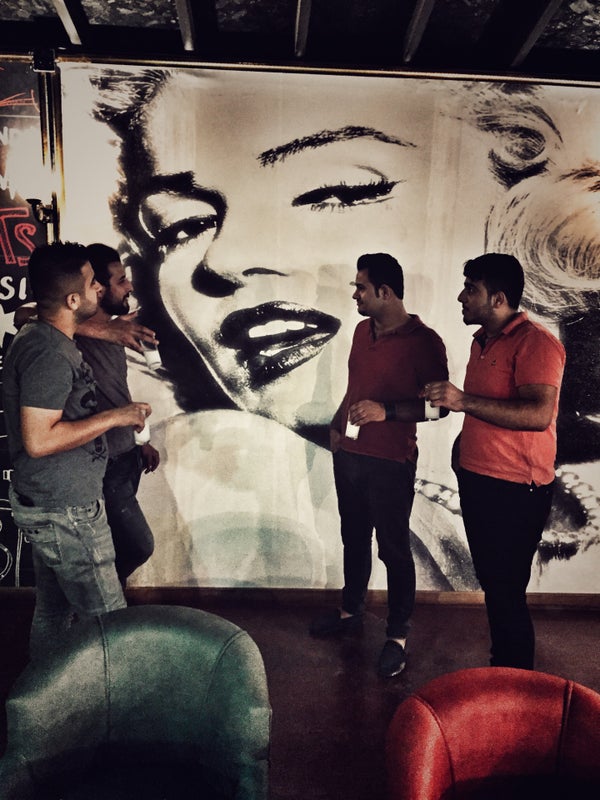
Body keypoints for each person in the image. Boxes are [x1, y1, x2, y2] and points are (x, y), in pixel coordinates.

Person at [2, 241, 151, 659]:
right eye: (91, 284)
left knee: (53, 610)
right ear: (72, 300)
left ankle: (46, 691)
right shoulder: (48, 352)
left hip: (57, 502)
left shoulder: (51, 339)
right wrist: (116, 416)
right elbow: (39, 440)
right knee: (108, 624)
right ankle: (116, 698)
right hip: (65, 510)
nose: (98, 289)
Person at [423, 253, 566, 669]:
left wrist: (462, 401)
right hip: (479, 480)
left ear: (498, 299)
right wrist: (462, 449)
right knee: (493, 582)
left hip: (517, 489)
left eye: (471, 289)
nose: (461, 297)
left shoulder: (537, 343)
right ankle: (503, 666)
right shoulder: (482, 340)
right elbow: (487, 407)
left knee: (506, 590)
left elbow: (538, 414)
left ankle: (515, 678)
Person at [310, 253, 449, 677]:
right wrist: (336, 427)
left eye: (361, 287)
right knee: (353, 538)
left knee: (393, 549)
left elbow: (439, 409)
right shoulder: (361, 330)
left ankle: (397, 636)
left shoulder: (425, 342)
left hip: (391, 463)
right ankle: (350, 611)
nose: (355, 294)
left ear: (384, 292)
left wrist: (384, 412)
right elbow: (356, 387)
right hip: (350, 456)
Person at [75, 243, 159, 585]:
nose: (130, 286)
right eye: (120, 280)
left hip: (127, 456)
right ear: (96, 287)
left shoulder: (118, 328)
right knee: (138, 546)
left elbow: (117, 392)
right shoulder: (68, 329)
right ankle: (94, 599)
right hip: (103, 464)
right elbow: (25, 315)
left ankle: (108, 609)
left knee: (114, 546)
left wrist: (142, 441)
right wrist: (100, 330)